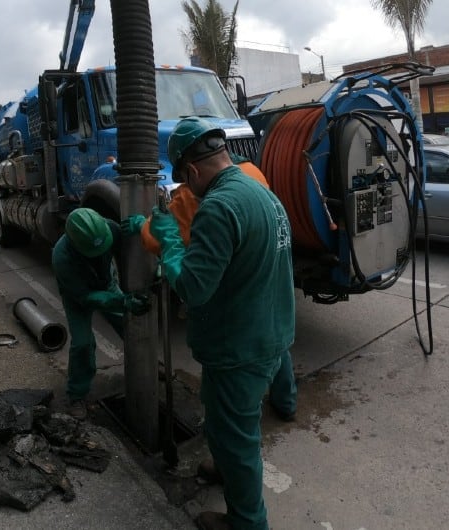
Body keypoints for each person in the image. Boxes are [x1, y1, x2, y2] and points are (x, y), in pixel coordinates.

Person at [148, 117, 296, 530]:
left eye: (183, 181)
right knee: (227, 421)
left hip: (239, 347)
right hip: (270, 331)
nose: (185, 190)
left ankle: (247, 522)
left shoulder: (217, 207)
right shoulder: (260, 191)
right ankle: (226, 465)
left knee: (238, 436)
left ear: (191, 171)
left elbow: (193, 287)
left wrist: (171, 243)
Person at [132, 151, 297, 424]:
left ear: (192, 172)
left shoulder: (207, 200)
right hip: (271, 301)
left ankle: (231, 461)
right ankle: (286, 402)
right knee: (276, 351)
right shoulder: (253, 176)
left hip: (240, 331)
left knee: (234, 425)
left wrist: (147, 228)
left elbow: (188, 279)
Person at [52, 207, 150, 419]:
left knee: (129, 323)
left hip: (106, 283)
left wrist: (141, 227)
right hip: (79, 295)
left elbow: (133, 249)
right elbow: (86, 298)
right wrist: (122, 301)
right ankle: (77, 395)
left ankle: (147, 366)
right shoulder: (61, 258)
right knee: (82, 343)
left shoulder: (109, 228)